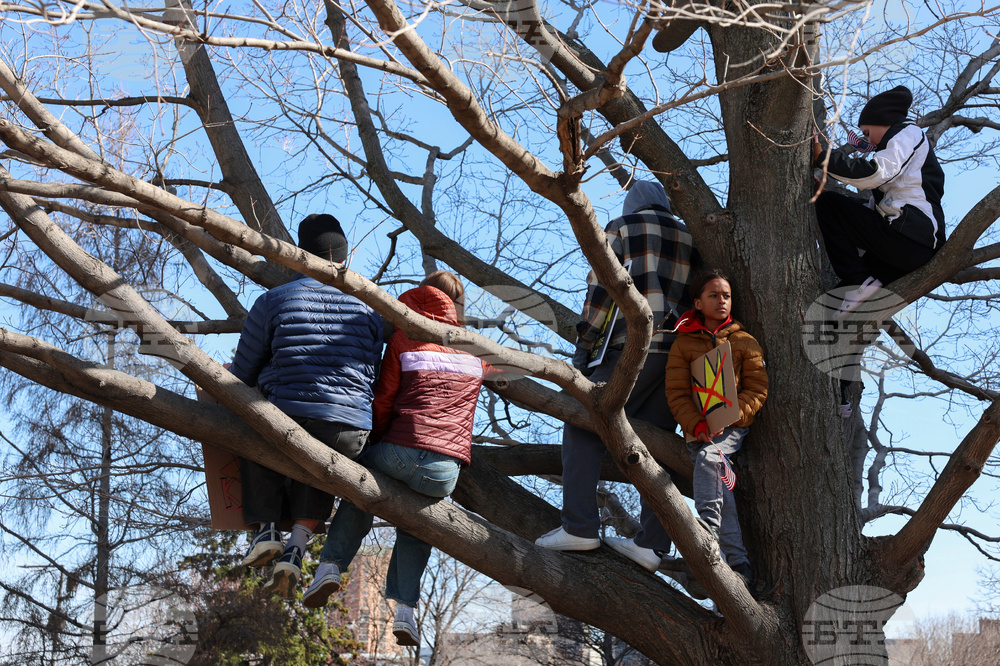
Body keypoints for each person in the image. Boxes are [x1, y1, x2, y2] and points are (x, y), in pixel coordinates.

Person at [302, 271, 489, 648]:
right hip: (445, 472)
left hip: (401, 450)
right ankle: (406, 610)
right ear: (458, 305)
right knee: (419, 521)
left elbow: (384, 399)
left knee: (362, 485)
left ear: (421, 293)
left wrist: (380, 439)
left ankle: (330, 566)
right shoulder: (475, 352)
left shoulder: (404, 338)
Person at [534, 180, 699, 574]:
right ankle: (652, 543)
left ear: (632, 205)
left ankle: (579, 526)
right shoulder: (691, 237)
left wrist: (584, 345)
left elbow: (602, 287)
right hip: (680, 357)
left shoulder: (622, 227)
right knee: (657, 444)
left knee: (582, 424)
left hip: (632, 346)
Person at [230, 213, 384, 599]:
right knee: (321, 459)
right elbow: (375, 372)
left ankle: (266, 531)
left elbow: (243, 373)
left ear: (300, 254)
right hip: (350, 428)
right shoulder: (370, 310)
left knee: (256, 430)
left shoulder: (274, 300)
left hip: (289, 415)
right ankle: (296, 548)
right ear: (343, 257)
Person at [664, 269, 768, 588]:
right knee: (723, 489)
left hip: (732, 430)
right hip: (698, 432)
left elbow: (758, 389)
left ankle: (707, 531)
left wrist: (729, 417)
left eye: (726, 296)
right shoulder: (683, 344)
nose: (722, 300)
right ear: (698, 302)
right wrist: (696, 424)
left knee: (709, 459)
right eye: (714, 295)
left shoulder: (745, 341)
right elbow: (676, 392)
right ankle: (739, 564)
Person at [813, 85, 946, 317]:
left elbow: (875, 173)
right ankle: (849, 306)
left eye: (867, 133)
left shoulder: (908, 133)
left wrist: (824, 161)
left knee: (829, 205)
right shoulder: (899, 158)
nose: (868, 141)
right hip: (905, 245)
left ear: (882, 121)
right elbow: (868, 211)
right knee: (836, 303)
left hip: (912, 237)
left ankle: (858, 280)